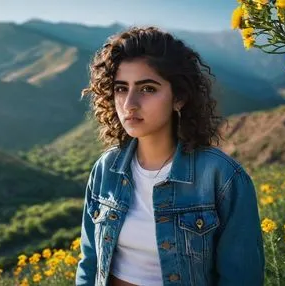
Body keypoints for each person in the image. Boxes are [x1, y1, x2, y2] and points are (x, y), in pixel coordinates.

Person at [75, 26, 265, 286]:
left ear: (179, 97)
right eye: (121, 88)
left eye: (147, 89)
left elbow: (241, 279)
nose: (129, 103)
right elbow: (89, 263)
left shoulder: (223, 178)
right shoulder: (106, 169)